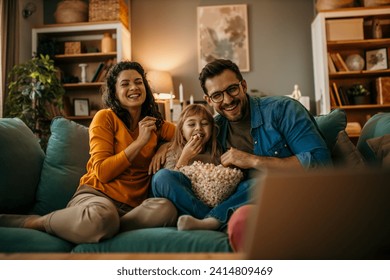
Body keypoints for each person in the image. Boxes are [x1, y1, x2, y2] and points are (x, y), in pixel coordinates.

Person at [0, 61, 178, 244]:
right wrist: (140, 142)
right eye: (125, 84)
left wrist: (165, 146)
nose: (134, 87)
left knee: (167, 209)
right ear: (115, 92)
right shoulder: (105, 118)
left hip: (133, 208)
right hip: (97, 198)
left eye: (138, 82)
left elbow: (185, 134)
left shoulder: (154, 124)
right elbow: (103, 172)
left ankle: (108, 228)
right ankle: (38, 222)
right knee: (101, 218)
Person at [198, 58, 332, 249]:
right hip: (243, 206)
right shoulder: (214, 128)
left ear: (243, 86)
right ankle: (214, 219)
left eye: (232, 89)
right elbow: (189, 164)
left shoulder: (283, 109)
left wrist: (252, 160)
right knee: (164, 178)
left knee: (262, 182)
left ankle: (213, 219)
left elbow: (321, 162)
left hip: (290, 199)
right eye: (217, 95)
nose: (227, 100)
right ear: (208, 100)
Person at [152, 104, 244, 231]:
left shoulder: (217, 152)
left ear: (212, 129)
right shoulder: (172, 151)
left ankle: (210, 219)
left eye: (205, 124)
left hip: (214, 202)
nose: (198, 128)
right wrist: (185, 157)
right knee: (161, 177)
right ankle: (211, 219)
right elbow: (170, 184)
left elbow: (225, 183)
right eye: (191, 124)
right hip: (187, 202)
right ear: (181, 131)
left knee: (253, 184)